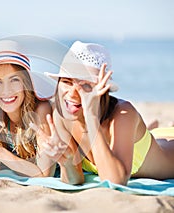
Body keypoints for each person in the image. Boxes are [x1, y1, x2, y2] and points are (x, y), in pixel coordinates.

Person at [36, 40, 174, 185]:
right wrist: (67, 163)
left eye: (86, 85)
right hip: (150, 139)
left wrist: (91, 116)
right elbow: (74, 179)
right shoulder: (62, 115)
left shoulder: (124, 113)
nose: (72, 94)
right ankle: (154, 128)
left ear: (102, 90)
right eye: (66, 82)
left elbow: (115, 181)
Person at [0, 40, 66, 179]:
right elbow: (5, 166)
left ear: (25, 82)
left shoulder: (41, 109)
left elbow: (45, 173)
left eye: (14, 80)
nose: (6, 90)